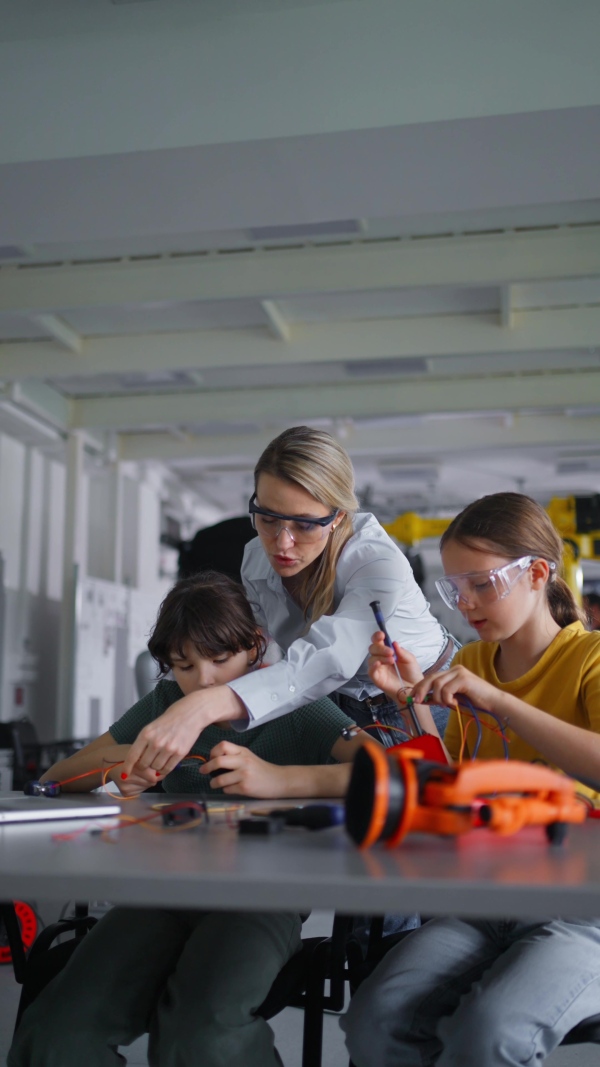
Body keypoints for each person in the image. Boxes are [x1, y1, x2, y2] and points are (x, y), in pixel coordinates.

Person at [9, 571, 366, 1067]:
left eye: (220, 661)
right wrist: (125, 763)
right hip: (166, 893)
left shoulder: (296, 703)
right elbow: (60, 776)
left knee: (201, 1039)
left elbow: (387, 773)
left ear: (255, 647)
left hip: (264, 898)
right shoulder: (167, 704)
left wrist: (277, 780)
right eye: (184, 666)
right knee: (55, 1034)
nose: (203, 682)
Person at [342, 491, 600, 1067]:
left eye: (481, 584)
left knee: (487, 1035)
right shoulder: (477, 664)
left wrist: (499, 703)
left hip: (584, 907)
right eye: (455, 588)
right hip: (488, 897)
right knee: (374, 1020)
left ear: (537, 573)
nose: (465, 603)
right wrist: (408, 700)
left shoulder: (590, 660)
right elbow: (450, 782)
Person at [119, 426, 455, 784]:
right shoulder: (255, 559)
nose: (282, 543)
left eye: (305, 525)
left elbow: (331, 656)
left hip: (426, 702)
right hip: (342, 706)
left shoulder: (376, 563)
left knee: (433, 807)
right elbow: (260, 653)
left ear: (338, 517)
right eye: (267, 519)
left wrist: (203, 705)